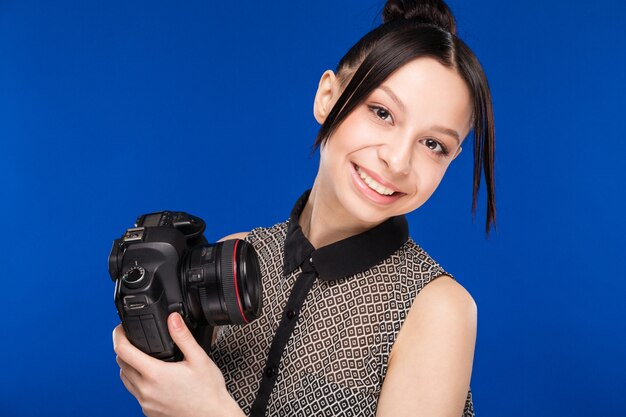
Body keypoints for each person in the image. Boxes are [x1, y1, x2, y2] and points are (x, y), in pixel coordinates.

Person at [112, 0, 496, 415]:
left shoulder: (437, 308)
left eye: (433, 144)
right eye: (382, 113)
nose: (399, 161)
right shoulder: (230, 257)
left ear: (452, 159)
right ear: (327, 97)